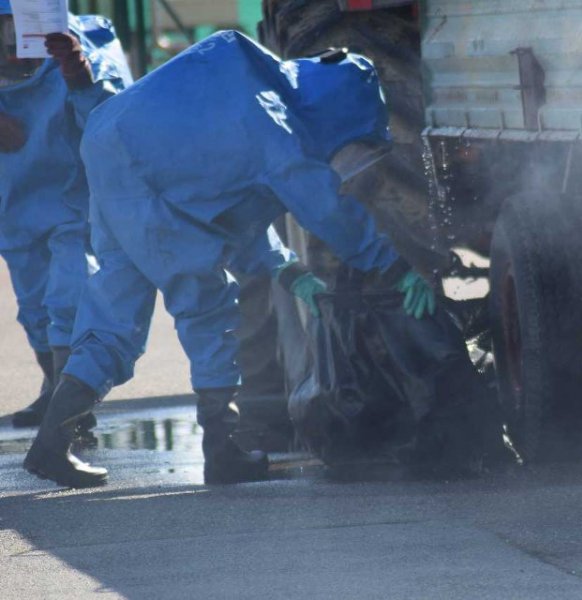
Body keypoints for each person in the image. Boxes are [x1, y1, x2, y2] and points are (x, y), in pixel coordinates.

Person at [24, 32, 436, 488]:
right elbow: (321, 203)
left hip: (111, 154)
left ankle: (50, 445)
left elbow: (224, 203)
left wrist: (286, 268)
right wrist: (390, 264)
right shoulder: (274, 123)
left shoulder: (243, 73)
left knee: (114, 317)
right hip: (145, 181)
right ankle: (221, 450)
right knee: (208, 307)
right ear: (339, 110)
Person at [0, 4, 129, 429]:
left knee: (69, 294)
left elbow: (111, 112)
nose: (13, 45)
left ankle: (68, 405)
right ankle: (53, 386)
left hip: (73, 198)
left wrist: (77, 72)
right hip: (15, 202)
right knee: (34, 303)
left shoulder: (78, 47)